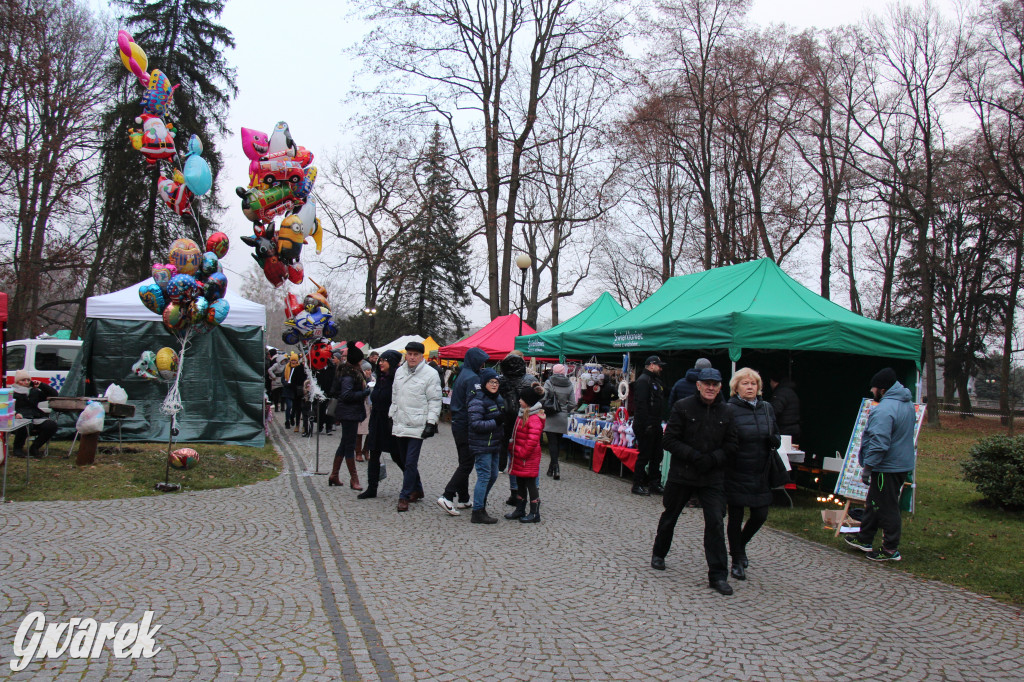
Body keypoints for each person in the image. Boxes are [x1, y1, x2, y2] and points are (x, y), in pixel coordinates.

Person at [652, 367, 739, 596]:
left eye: (715, 384)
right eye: (706, 383)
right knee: (670, 515)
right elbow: (669, 440)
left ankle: (718, 575)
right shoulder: (683, 407)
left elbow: (732, 444)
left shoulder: (727, 411)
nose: (711, 388)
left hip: (712, 476)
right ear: (698, 385)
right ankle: (659, 553)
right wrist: (693, 455)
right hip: (683, 474)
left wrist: (713, 458)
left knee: (715, 523)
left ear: (720, 386)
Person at [845, 368, 916, 562]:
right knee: (874, 502)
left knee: (886, 507)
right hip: (900, 464)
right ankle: (864, 538)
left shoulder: (884, 410)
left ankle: (890, 549)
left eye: (874, 388)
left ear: (882, 390)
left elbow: (879, 442)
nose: (871, 392)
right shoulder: (907, 404)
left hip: (887, 466)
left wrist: (868, 467)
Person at [724, 368, 781, 581]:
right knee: (735, 517)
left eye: (753, 384)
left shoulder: (767, 408)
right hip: (737, 470)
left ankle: (740, 545)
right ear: (736, 387)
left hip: (760, 471)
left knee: (760, 515)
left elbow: (774, 431)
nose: (750, 387)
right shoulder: (729, 409)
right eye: (745, 383)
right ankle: (737, 559)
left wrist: (774, 439)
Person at [390, 341, 442, 512]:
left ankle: (404, 496)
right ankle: (417, 488)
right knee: (403, 459)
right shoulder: (399, 371)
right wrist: (392, 414)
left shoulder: (430, 374)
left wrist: (431, 422)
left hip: (418, 424)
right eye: (409, 354)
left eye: (416, 355)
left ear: (421, 357)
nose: (412, 357)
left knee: (411, 461)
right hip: (400, 421)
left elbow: (434, 400)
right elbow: (395, 395)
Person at [438, 347, 488, 516]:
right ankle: (447, 495)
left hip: (458, 423)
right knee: (467, 463)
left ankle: (464, 498)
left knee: (463, 460)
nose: (483, 365)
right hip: (466, 424)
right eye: (481, 362)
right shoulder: (473, 378)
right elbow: (475, 403)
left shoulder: (462, 374)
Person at [358, 350, 402, 499]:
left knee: (397, 456)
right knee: (374, 452)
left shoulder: (397, 380)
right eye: (380, 360)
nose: (381, 363)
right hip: (377, 420)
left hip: (390, 422)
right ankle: (372, 487)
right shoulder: (380, 378)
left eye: (385, 360)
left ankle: (415, 485)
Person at [328, 342, 371, 490]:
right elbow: (346, 395)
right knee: (349, 446)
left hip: (350, 412)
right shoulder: (349, 375)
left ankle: (334, 475)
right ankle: (354, 479)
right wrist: (364, 393)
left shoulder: (350, 372)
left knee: (344, 444)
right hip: (348, 413)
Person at [497, 351, 536, 504]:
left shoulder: (500, 380)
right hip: (524, 422)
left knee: (512, 458)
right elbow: (540, 400)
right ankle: (528, 494)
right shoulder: (531, 379)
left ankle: (517, 494)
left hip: (509, 423)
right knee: (525, 458)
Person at [467, 368, 505, 524]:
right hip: (482, 445)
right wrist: (496, 421)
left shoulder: (497, 398)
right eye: (491, 382)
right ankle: (477, 511)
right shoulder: (478, 400)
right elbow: (475, 424)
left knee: (493, 475)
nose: (494, 385)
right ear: (484, 383)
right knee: (484, 476)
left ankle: (480, 502)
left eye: (496, 382)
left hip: (495, 443)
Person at [506, 383, 546, 523]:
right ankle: (520, 509)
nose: (519, 400)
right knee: (520, 482)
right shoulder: (523, 414)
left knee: (530, 483)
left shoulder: (533, 418)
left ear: (528, 401)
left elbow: (532, 440)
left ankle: (535, 513)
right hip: (519, 455)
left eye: (521, 399)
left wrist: (522, 453)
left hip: (527, 457)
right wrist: (512, 447)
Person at [632, 355, 667, 496]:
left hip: (656, 422)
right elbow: (641, 405)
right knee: (644, 455)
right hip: (646, 424)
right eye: (659, 365)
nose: (661, 368)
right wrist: (646, 424)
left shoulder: (654, 380)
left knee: (657, 455)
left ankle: (654, 483)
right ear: (651, 365)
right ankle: (637, 484)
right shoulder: (643, 381)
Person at [10, 370, 58, 458]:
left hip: (36, 415)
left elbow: (54, 394)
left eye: (28, 380)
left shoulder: (34, 391)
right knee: (24, 425)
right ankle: (17, 448)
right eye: (23, 380)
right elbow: (7, 406)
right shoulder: (11, 392)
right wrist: (15, 414)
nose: (26, 382)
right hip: (19, 416)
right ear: (17, 381)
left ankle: (35, 447)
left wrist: (41, 385)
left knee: (51, 425)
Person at [542, 363, 576, 480]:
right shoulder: (569, 384)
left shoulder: (549, 382)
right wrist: (565, 410)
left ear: (553, 371)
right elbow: (573, 403)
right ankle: (551, 468)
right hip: (562, 417)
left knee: (552, 443)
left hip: (551, 415)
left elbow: (543, 397)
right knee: (557, 442)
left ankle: (555, 467)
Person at [769, 372, 801, 443]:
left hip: (785, 431)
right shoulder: (791, 391)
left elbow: (774, 411)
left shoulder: (780, 393)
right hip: (794, 429)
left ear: (774, 381)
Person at [283, 352, 306, 432]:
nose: (293, 362)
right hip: (296, 392)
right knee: (296, 409)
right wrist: (294, 387)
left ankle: (304, 426)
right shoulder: (296, 369)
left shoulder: (308, 369)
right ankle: (296, 424)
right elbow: (292, 380)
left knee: (304, 410)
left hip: (305, 392)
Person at [355, 360, 373, 460]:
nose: (369, 372)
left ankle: (366, 450)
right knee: (360, 431)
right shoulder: (359, 379)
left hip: (371, 407)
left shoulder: (373, 379)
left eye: (370, 370)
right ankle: (358, 452)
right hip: (361, 406)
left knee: (370, 432)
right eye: (367, 370)